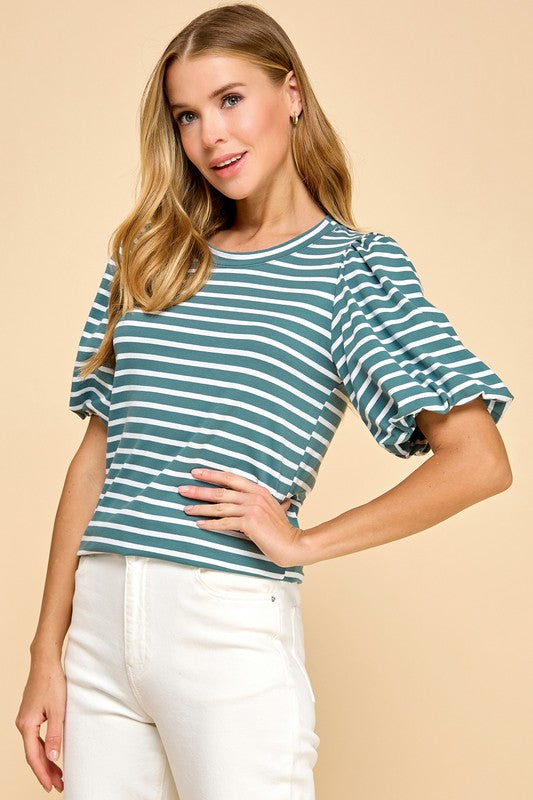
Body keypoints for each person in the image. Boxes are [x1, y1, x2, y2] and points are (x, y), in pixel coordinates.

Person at [15, 3, 515, 798]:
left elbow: (479, 460)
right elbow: (96, 459)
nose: (210, 135)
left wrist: (302, 542)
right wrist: (48, 650)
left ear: (291, 94)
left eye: (230, 100)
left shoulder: (351, 271)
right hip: (99, 630)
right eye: (187, 115)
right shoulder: (151, 258)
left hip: (223, 627)